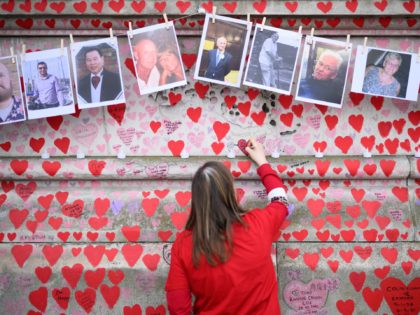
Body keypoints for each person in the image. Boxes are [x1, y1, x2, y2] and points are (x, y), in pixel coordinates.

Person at [165, 138, 289, 314]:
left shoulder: (184, 245)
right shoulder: (259, 223)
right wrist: (262, 161)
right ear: (230, 192)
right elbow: (281, 202)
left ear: (197, 198)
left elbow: (178, 308)